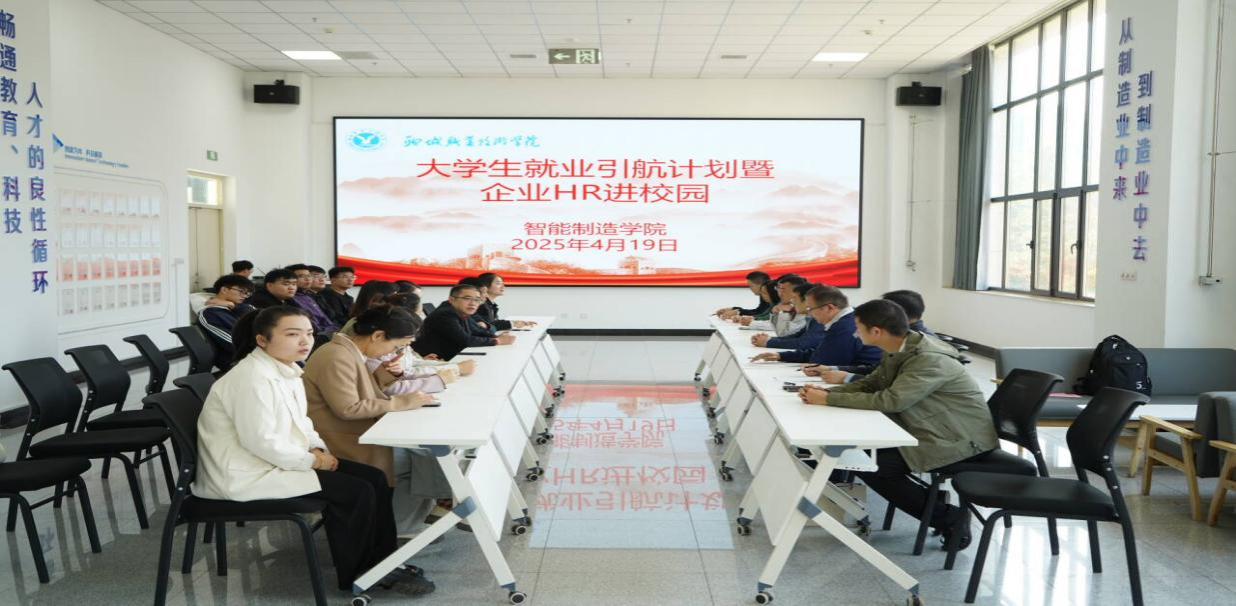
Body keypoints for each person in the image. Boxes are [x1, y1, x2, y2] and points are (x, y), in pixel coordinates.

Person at [193, 307, 433, 595]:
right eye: (292, 334)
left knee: (374, 478)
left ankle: (383, 561)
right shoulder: (251, 379)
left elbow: (303, 422)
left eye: (308, 333)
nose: (304, 341)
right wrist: (312, 461)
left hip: (276, 461)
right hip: (248, 472)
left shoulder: (288, 370)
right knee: (356, 491)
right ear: (262, 340)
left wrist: (317, 449)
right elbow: (260, 442)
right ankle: (359, 574)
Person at [798, 299, 997, 549]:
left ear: (876, 331)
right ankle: (934, 504)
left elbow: (891, 400)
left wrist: (828, 399)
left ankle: (949, 518)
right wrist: (827, 393)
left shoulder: (929, 359)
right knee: (863, 455)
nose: (854, 333)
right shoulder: (901, 349)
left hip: (959, 438)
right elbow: (872, 383)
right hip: (932, 426)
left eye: (858, 327)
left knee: (875, 466)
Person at [810, 290, 939, 384]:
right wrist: (834, 369)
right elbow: (876, 370)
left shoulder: (920, 348)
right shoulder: (899, 338)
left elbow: (895, 390)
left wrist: (847, 378)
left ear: (896, 313)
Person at [751, 285, 881, 367]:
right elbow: (822, 351)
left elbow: (825, 361)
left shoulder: (846, 326)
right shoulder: (841, 320)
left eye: (810, 309)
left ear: (828, 308)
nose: (809, 314)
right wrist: (782, 356)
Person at [414, 284, 514, 360]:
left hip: (451, 355)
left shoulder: (460, 311)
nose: (472, 303)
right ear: (451, 299)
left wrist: (496, 336)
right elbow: (465, 340)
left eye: (477, 300)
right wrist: (497, 341)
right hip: (433, 359)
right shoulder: (445, 314)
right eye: (467, 298)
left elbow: (476, 330)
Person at [197, 274, 256, 371]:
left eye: (247, 293)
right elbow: (232, 342)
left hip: (255, 353)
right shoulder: (210, 313)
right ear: (224, 290)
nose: (244, 296)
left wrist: (233, 305)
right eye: (241, 291)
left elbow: (263, 322)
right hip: (237, 360)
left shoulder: (241, 308)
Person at [751, 283, 824, 350]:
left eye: (795, 298)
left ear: (807, 300)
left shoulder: (821, 320)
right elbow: (796, 336)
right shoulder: (813, 318)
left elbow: (802, 343)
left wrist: (767, 342)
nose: (792, 301)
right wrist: (769, 339)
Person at [286, 264, 340, 338]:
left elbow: (325, 319)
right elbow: (313, 326)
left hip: (330, 332)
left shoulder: (307, 296)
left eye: (308, 276)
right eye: (301, 276)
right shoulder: (291, 298)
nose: (307, 279)